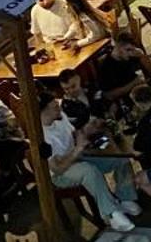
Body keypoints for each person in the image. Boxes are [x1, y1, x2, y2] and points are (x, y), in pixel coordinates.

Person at [40, 94, 137, 233]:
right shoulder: (43, 136)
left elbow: (75, 133)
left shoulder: (60, 117)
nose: (58, 107)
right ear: (45, 111)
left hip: (78, 157)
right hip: (60, 173)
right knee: (88, 170)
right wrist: (78, 149)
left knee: (119, 158)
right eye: (54, 106)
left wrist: (87, 130)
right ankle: (111, 214)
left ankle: (125, 197)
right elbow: (58, 169)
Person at [91, 34, 149, 104]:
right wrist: (134, 83)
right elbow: (108, 95)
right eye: (128, 49)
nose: (131, 53)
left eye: (132, 49)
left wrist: (141, 54)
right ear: (118, 47)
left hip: (142, 93)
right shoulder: (106, 67)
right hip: (126, 102)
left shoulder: (130, 55)